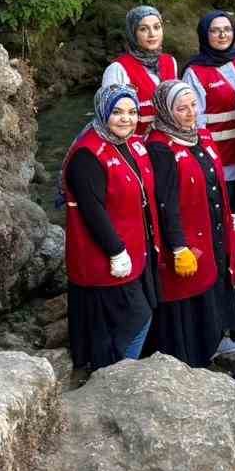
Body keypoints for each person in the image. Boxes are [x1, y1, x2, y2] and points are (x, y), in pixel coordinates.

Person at [62, 84, 161, 370]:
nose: (126, 118)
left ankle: (117, 368)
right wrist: (116, 251)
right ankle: (118, 373)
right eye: (117, 112)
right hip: (106, 258)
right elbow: (92, 210)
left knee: (134, 318)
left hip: (135, 251)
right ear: (103, 113)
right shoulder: (87, 155)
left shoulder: (130, 143)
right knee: (136, 318)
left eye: (132, 112)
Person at [145, 81, 235, 366]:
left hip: (213, 228)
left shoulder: (200, 136)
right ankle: (190, 358)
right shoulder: (160, 149)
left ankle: (215, 342)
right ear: (165, 111)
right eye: (181, 109)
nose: (190, 113)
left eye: (192, 106)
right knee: (188, 298)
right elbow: (166, 204)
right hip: (188, 238)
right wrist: (178, 247)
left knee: (216, 283)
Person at [183, 12, 235, 225]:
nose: (222, 35)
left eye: (227, 29)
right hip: (219, 157)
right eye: (215, 30)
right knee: (222, 216)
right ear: (205, 35)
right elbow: (193, 121)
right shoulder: (195, 71)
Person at [102, 5, 178, 135]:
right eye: (143, 29)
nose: (152, 34)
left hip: (169, 145)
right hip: (137, 148)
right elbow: (111, 119)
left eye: (156, 27)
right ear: (133, 33)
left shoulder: (170, 62)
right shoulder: (117, 69)